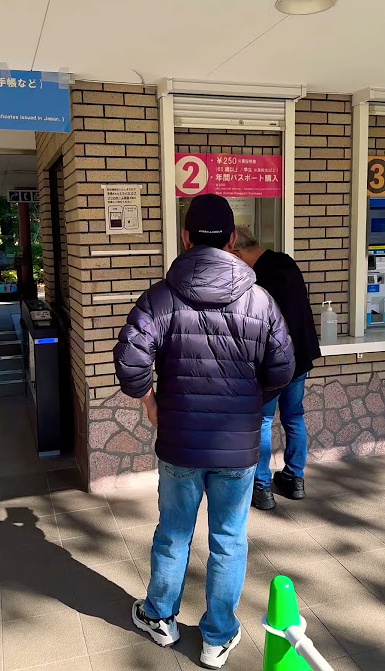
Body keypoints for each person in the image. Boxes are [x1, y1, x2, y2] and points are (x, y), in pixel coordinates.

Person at [114, 194, 294, 669]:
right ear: (233, 240)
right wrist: (251, 402)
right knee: (229, 539)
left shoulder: (160, 297)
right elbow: (283, 366)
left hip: (178, 441)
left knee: (174, 533)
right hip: (237, 445)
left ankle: (160, 618)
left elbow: (130, 363)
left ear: (186, 238)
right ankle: (217, 638)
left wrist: (150, 400)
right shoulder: (260, 299)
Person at [233, 226, 321, 511]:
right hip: (300, 358)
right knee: (294, 417)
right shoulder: (286, 262)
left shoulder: (255, 278)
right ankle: (295, 480)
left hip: (271, 364)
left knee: (263, 422)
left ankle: (261, 488)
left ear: (237, 250)